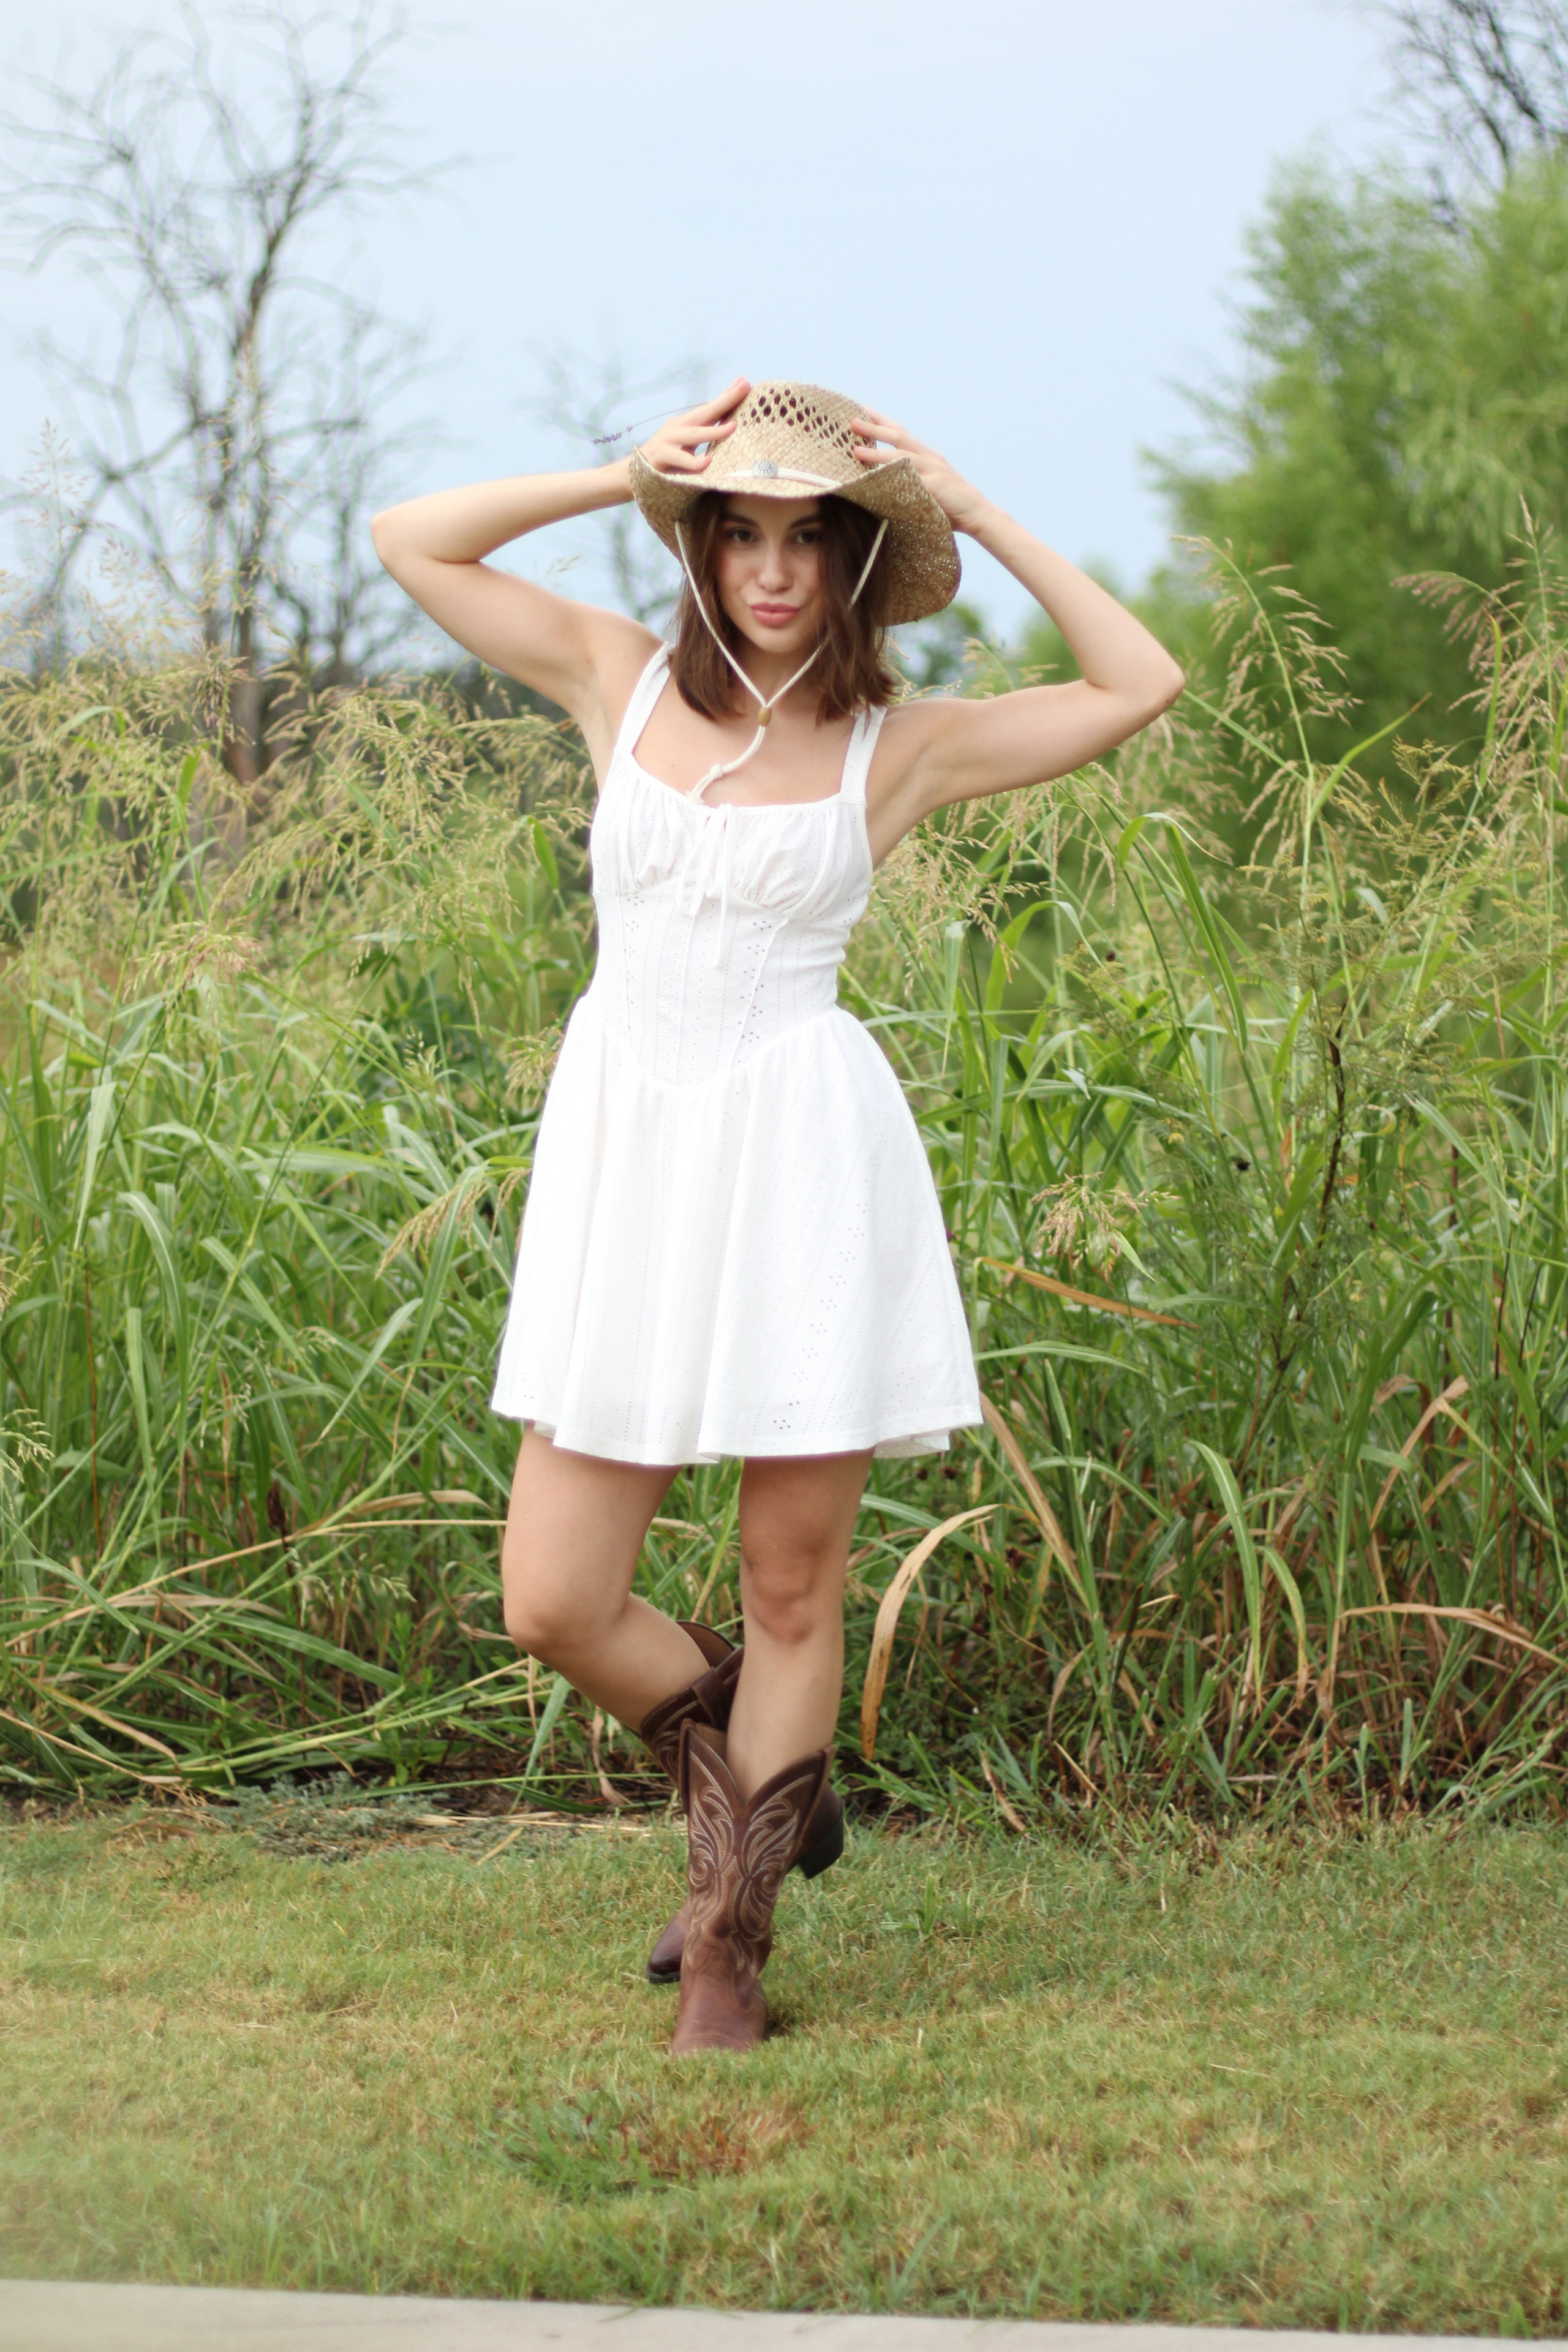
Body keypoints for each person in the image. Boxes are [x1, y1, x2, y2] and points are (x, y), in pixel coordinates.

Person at [371, 379, 1183, 2054]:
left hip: (806, 1163)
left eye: (810, 536)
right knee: (553, 1594)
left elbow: (1140, 681)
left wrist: (976, 501)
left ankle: (730, 1939)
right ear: (700, 545)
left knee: (793, 1584)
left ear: (858, 558)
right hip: (631, 1165)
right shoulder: (615, 676)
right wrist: (615, 470)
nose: (772, 568)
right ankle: (765, 1782)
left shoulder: (903, 746)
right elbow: (408, 541)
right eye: (739, 531)